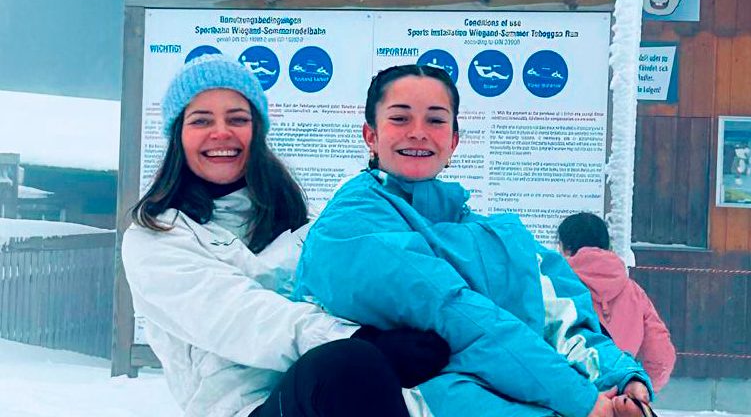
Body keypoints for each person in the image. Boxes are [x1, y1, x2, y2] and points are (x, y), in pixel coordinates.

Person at [294, 64, 654, 417]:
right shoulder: (351, 224)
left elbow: (559, 315)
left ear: (453, 141)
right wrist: (582, 401)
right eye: (400, 118)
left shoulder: (494, 236)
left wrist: (619, 378)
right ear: (370, 135)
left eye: (435, 120)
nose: (418, 133)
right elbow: (455, 315)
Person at [121, 55, 449, 417]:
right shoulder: (157, 237)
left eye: (238, 119)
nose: (221, 132)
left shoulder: (304, 226)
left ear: (257, 132)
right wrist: (361, 339)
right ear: (178, 136)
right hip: (246, 408)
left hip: (342, 399)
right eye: (201, 120)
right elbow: (237, 316)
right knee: (347, 364)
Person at [558, 212, 677, 392]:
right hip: (616, 397)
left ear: (566, 249)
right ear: (607, 245)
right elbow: (661, 357)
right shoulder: (633, 292)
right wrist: (636, 389)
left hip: (564, 398)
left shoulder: (554, 289)